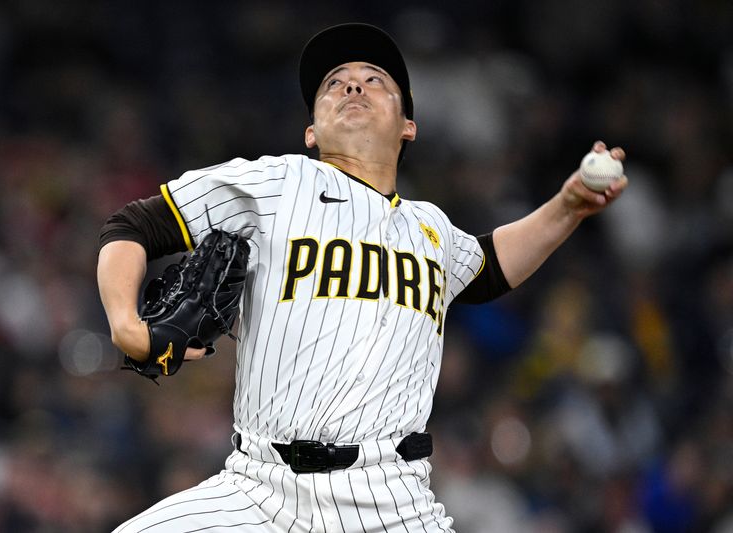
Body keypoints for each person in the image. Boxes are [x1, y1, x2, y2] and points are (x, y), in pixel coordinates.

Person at [97, 23, 627, 533]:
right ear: (311, 130)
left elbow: (488, 269)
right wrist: (125, 323)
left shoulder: (431, 229)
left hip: (394, 500)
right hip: (261, 491)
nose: (353, 84)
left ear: (407, 125)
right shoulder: (277, 182)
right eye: (334, 83)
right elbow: (133, 226)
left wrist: (567, 207)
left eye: (375, 79)